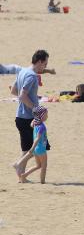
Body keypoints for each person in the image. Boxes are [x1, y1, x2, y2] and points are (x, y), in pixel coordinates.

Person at [11, 50, 49, 179]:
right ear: (39, 61)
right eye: (45, 64)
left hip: (20, 116)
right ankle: (18, 166)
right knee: (37, 148)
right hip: (28, 117)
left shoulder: (22, 71)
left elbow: (13, 91)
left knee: (27, 148)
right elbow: (21, 95)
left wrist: (26, 99)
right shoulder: (31, 76)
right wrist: (35, 108)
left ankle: (21, 175)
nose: (45, 67)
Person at [13, 106, 48, 183]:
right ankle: (43, 182)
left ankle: (24, 175)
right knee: (44, 167)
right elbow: (37, 139)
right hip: (41, 148)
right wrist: (32, 148)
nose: (47, 116)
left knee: (38, 165)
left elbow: (31, 124)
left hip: (36, 149)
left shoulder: (35, 123)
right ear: (41, 116)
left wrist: (33, 149)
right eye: (45, 115)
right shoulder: (41, 126)